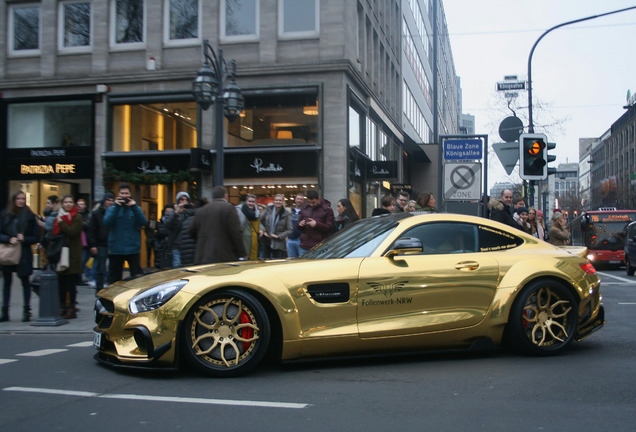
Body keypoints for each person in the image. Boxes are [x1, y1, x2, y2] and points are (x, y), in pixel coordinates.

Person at [0, 191, 39, 322]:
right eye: (18, 198)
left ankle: (26, 311)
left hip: (24, 253)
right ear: (14, 199)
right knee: (6, 282)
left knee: (25, 282)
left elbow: (36, 237)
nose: (21, 201)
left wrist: (25, 239)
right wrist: (8, 239)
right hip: (8, 251)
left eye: (23, 199)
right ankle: (4, 311)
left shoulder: (29, 215)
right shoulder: (5, 214)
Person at [189, 186, 246, 264]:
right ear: (225, 196)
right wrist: (242, 253)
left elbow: (191, 231)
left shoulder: (201, 211)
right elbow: (236, 233)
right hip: (224, 256)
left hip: (203, 256)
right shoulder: (229, 208)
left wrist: (203, 240)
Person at [103, 183, 147, 284]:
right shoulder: (112, 209)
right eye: (122, 193)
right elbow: (106, 222)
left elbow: (143, 222)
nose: (124, 195)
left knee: (136, 278)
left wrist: (134, 207)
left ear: (130, 194)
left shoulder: (136, 209)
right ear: (118, 194)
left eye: (126, 193)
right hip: (116, 249)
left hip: (133, 249)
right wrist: (116, 207)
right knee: (114, 279)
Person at [54, 195, 83, 319]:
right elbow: (53, 233)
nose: (68, 204)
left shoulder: (77, 216)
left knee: (71, 284)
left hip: (73, 254)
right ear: (62, 204)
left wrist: (62, 223)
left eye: (70, 202)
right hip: (61, 253)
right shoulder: (58, 216)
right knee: (61, 283)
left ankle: (71, 307)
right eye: (66, 202)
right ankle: (62, 306)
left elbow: (73, 232)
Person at [87, 193, 114, 292]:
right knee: (101, 269)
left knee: (111, 269)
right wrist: (93, 244)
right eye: (108, 200)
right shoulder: (96, 213)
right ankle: (99, 289)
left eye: (112, 200)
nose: (110, 202)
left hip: (112, 244)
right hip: (101, 244)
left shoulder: (114, 212)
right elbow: (91, 230)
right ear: (104, 201)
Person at [165, 191, 197, 268]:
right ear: (178, 201)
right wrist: (176, 212)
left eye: (186, 200)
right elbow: (167, 225)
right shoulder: (171, 213)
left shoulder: (191, 213)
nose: (184, 202)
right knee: (177, 269)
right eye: (181, 199)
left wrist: (192, 209)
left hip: (190, 246)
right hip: (177, 246)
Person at [298, 189, 335, 254]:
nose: (311, 204)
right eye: (309, 202)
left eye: (313, 202)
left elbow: (330, 227)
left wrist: (316, 224)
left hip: (319, 246)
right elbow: (298, 226)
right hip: (304, 245)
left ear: (318, 199)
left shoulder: (327, 210)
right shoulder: (305, 208)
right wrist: (300, 224)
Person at [259, 194, 292, 259]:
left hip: (278, 242)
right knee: (265, 262)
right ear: (274, 201)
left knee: (277, 263)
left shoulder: (286, 213)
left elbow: (290, 230)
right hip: (266, 240)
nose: (278, 202)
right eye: (276, 200)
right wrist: (263, 230)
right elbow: (258, 220)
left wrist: (279, 236)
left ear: (283, 202)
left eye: (280, 200)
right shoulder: (268, 209)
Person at [236, 194, 261, 260]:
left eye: (253, 202)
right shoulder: (239, 210)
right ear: (246, 201)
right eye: (249, 201)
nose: (251, 203)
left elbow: (260, 223)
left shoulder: (257, 212)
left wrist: (261, 229)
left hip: (254, 239)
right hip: (243, 238)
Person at [154, 204, 175, 269]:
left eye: (171, 212)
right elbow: (157, 236)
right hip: (161, 250)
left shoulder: (176, 221)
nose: (169, 213)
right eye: (167, 211)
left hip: (172, 249)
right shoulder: (159, 223)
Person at [76, 198, 91, 284]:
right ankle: (79, 277)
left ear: (85, 205)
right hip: (77, 241)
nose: (80, 206)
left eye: (81, 204)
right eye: (78, 204)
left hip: (86, 241)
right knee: (80, 260)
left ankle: (87, 276)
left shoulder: (88, 215)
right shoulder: (75, 214)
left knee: (86, 259)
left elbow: (88, 226)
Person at [286, 193, 305, 258]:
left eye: (301, 199)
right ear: (295, 200)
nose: (299, 200)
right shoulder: (290, 211)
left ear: (303, 201)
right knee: (291, 260)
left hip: (301, 239)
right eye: (298, 199)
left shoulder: (305, 211)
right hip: (290, 238)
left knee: (301, 260)